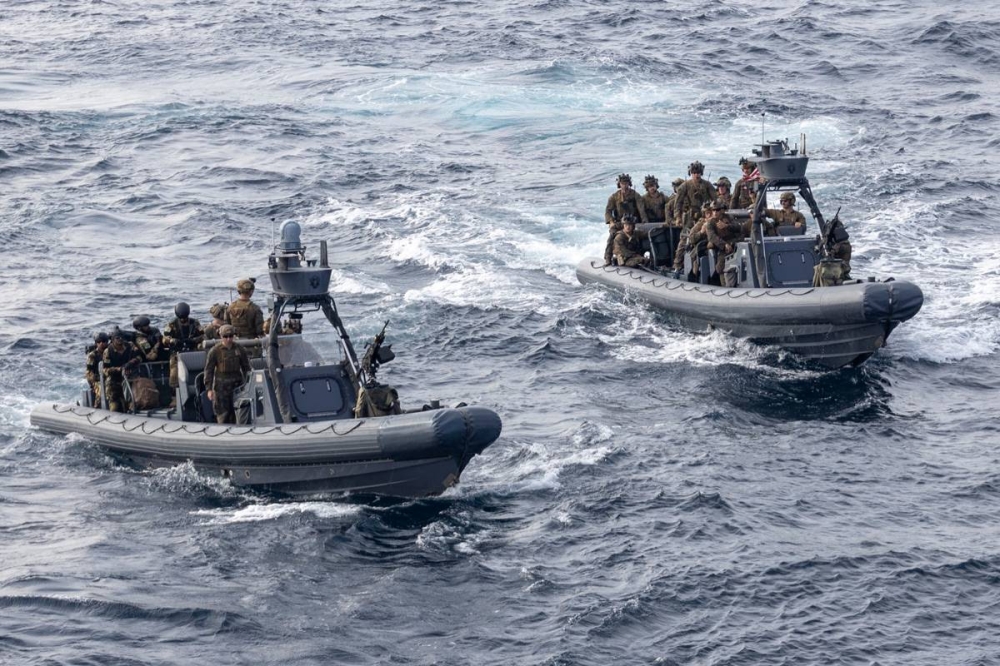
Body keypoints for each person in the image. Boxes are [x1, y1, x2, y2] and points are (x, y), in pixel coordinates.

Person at [204, 325, 251, 424]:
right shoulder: (215, 351)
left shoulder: (239, 349)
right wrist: (209, 389)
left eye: (230, 336)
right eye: (225, 336)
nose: (228, 339)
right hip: (221, 387)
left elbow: (246, 368)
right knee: (223, 414)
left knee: (239, 412)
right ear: (221, 336)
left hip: (237, 386)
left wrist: (248, 383)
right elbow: (209, 370)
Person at [603, 174, 648, 265]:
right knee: (612, 236)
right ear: (619, 184)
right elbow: (608, 210)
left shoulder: (635, 195)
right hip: (620, 222)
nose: (624, 185)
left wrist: (644, 221)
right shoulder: (614, 197)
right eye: (622, 183)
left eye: (626, 183)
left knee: (639, 236)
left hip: (633, 221)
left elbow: (641, 208)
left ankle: (639, 256)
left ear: (629, 183)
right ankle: (608, 258)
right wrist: (611, 221)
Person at [163, 302, 205, 392]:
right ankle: (175, 391)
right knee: (174, 371)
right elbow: (165, 338)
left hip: (192, 349)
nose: (183, 320)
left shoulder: (195, 323)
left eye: (185, 318)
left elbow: (203, 335)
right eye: (181, 318)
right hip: (177, 351)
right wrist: (172, 340)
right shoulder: (172, 324)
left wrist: (194, 340)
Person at [102, 331, 141, 413]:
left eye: (121, 337)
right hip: (114, 379)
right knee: (114, 405)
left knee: (134, 402)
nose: (120, 339)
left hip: (129, 376)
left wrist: (130, 364)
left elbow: (139, 357)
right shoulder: (108, 351)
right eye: (117, 338)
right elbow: (105, 370)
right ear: (113, 340)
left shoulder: (130, 345)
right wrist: (119, 369)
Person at [671, 161, 717, 230]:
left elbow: (715, 199)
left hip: (705, 215)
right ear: (691, 173)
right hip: (690, 216)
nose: (696, 175)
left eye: (698, 173)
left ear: (701, 173)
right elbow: (678, 202)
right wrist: (678, 217)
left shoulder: (707, 185)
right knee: (687, 233)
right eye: (694, 173)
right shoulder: (685, 185)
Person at [705, 202, 744, 283]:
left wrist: (727, 226)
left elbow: (738, 227)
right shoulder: (710, 223)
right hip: (722, 246)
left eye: (717, 210)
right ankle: (724, 284)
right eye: (713, 210)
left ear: (721, 210)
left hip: (734, 242)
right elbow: (712, 236)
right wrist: (724, 244)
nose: (715, 212)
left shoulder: (729, 217)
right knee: (721, 266)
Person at [85, 332, 110, 407]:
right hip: (97, 379)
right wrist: (94, 383)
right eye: (99, 342)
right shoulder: (93, 355)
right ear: (96, 343)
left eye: (104, 341)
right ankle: (97, 406)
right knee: (101, 390)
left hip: (110, 377)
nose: (101, 343)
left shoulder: (110, 352)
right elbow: (89, 372)